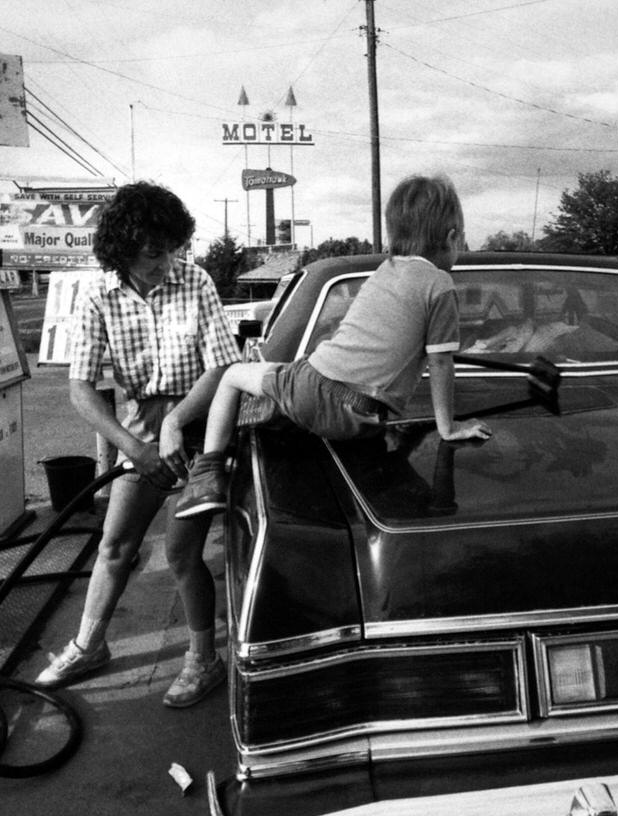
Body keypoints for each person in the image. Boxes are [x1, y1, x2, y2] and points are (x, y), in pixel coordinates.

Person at [174, 173, 491, 519]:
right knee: (255, 379)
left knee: (233, 375)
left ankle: (206, 478)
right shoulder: (440, 285)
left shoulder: (384, 270)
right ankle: (270, 419)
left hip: (314, 389)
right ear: (451, 236)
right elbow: (441, 363)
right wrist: (448, 428)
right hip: (364, 416)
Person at [34, 181, 242, 708]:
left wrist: (175, 423)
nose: (165, 262)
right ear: (124, 249)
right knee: (115, 544)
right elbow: (81, 388)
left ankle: (203, 658)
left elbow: (221, 365)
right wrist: (136, 446)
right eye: (153, 252)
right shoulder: (97, 297)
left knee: (180, 550)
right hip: (141, 429)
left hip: (203, 422)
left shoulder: (194, 282)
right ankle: (89, 645)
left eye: (172, 249)